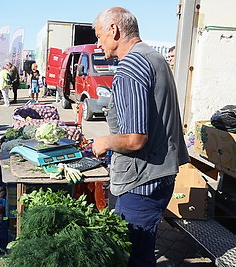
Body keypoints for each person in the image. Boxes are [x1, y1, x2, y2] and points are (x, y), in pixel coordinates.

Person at [91, 7, 189, 266]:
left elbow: (135, 139)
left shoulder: (130, 67)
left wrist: (104, 142)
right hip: (162, 174)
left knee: (134, 257)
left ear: (114, 30)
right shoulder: (154, 58)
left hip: (140, 182)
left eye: (99, 36)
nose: (98, 43)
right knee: (142, 251)